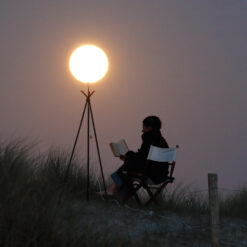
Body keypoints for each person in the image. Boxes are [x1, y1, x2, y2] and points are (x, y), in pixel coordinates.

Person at [102, 116, 169, 198]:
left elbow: (142, 156)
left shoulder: (149, 139)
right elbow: (145, 158)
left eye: (143, 127)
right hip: (161, 175)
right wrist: (129, 158)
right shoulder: (162, 141)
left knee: (125, 169)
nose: (142, 130)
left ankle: (118, 192)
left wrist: (128, 155)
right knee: (127, 165)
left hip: (151, 175)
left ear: (149, 128)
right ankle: (113, 191)